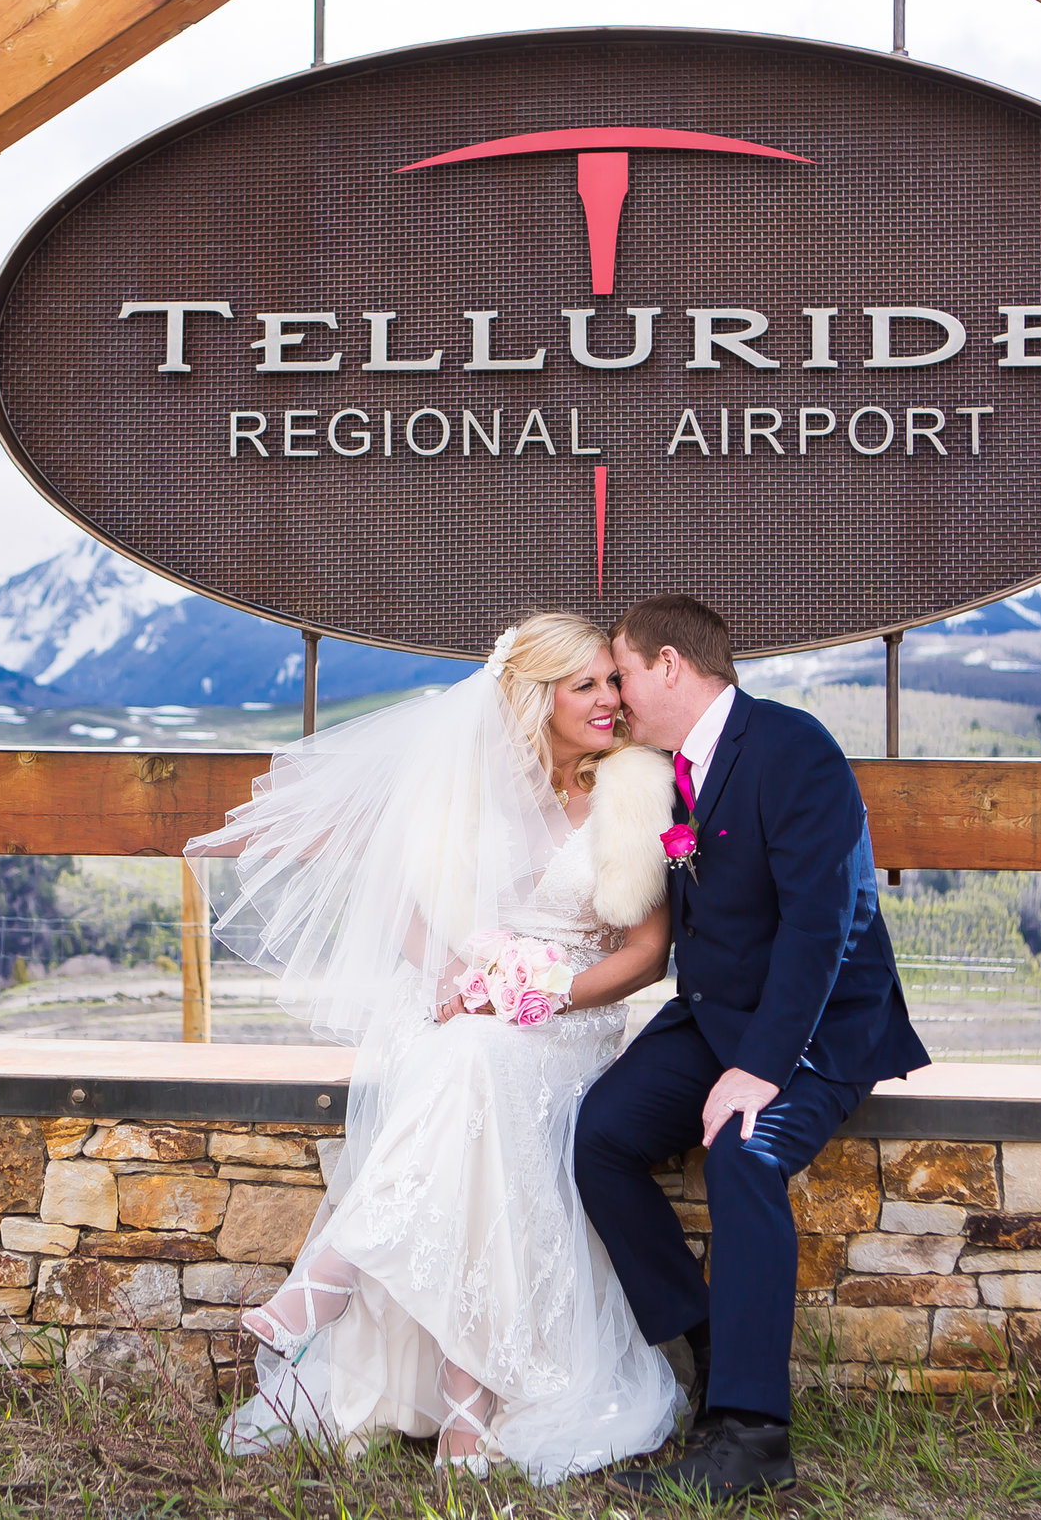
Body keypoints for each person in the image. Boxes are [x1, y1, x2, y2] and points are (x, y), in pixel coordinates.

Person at [188, 612, 684, 1482]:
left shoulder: (633, 791)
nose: (610, 700)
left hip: (573, 1017)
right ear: (536, 698)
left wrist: (549, 989)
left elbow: (646, 953)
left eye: (612, 681)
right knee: (469, 1072)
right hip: (468, 1010)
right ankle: (467, 1407)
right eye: (587, 686)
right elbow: (402, 907)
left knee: (476, 1066)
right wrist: (461, 973)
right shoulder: (474, 780)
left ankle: (329, 1279)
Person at [575, 593, 930, 1498]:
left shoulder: (790, 746)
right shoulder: (667, 768)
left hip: (816, 1023)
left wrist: (761, 1067)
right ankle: (706, 1336)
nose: (616, 692)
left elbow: (825, 921)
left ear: (669, 666)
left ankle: (751, 1435)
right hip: (713, 1016)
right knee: (601, 1134)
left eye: (621, 672)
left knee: (742, 1149)